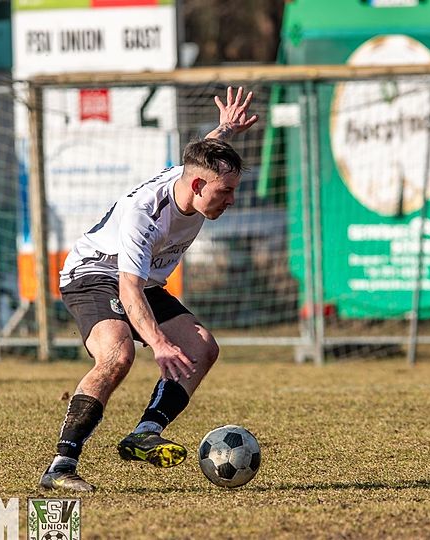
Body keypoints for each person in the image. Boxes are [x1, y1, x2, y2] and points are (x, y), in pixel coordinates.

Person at [38, 87, 259, 492]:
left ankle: (144, 434)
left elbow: (204, 152)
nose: (231, 199)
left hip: (141, 280)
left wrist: (225, 128)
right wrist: (158, 343)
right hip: (94, 273)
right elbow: (128, 290)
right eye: (225, 191)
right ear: (197, 185)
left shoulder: (195, 178)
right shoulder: (146, 216)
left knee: (201, 348)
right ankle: (61, 465)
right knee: (117, 354)